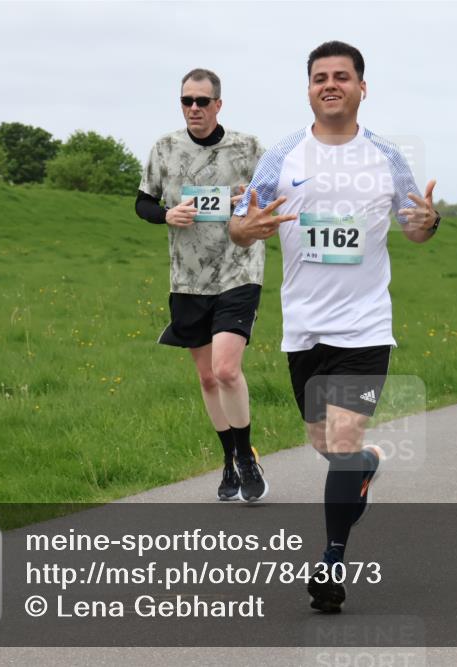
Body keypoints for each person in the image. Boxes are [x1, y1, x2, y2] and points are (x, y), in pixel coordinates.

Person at [229, 41, 440, 612]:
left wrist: (429, 222)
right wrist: (247, 229)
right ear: (309, 90)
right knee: (329, 446)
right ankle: (365, 468)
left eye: (342, 77)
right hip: (303, 329)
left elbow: (415, 226)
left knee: (343, 442)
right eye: (320, 77)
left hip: (366, 328)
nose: (330, 84)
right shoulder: (282, 157)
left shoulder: (387, 157)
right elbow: (240, 224)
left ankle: (331, 563)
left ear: (361, 88)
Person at [135, 68, 269, 502]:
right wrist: (165, 216)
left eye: (202, 101)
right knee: (208, 379)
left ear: (218, 104)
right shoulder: (165, 148)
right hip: (188, 278)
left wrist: (249, 199)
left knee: (227, 369)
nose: (194, 108)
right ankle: (229, 459)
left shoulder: (248, 147)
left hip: (238, 270)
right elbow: (143, 202)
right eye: (186, 101)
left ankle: (247, 459)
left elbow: (272, 198)